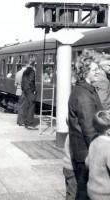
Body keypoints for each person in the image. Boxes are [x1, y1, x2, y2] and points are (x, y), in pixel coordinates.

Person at [68, 49, 103, 199]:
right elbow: (90, 130)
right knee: (85, 195)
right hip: (86, 155)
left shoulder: (87, 90)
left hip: (84, 153)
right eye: (95, 69)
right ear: (86, 71)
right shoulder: (83, 95)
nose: (98, 72)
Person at [85, 110, 110, 200]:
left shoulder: (94, 142)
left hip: (92, 190)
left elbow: (87, 163)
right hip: (105, 194)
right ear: (109, 131)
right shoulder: (108, 147)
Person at [21, 58, 37, 129]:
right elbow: (31, 81)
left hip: (25, 90)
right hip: (30, 90)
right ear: (33, 64)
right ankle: (30, 124)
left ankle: (25, 122)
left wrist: (23, 89)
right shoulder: (32, 71)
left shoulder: (25, 71)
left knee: (26, 106)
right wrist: (33, 90)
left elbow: (22, 81)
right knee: (31, 106)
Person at [63, 134, 77, 200]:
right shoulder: (76, 136)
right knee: (74, 195)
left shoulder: (70, 134)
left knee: (69, 193)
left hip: (67, 166)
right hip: (72, 168)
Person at [14, 61, 28, 126]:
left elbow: (15, 84)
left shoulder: (18, 73)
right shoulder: (26, 74)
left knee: (20, 106)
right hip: (24, 92)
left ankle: (19, 121)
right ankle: (23, 121)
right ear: (26, 66)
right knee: (25, 107)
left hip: (19, 91)